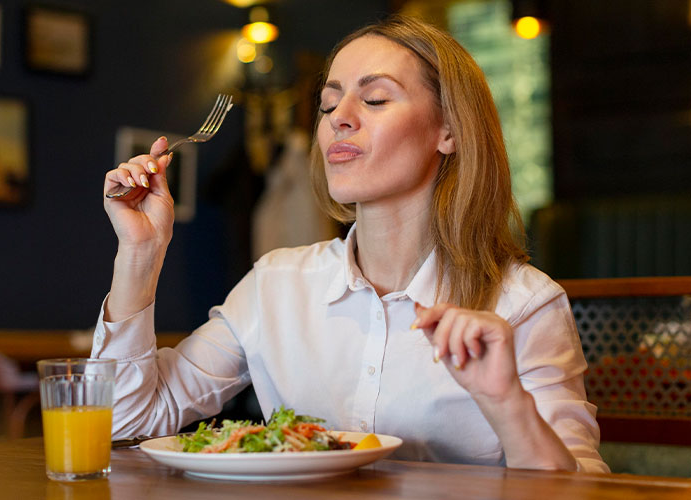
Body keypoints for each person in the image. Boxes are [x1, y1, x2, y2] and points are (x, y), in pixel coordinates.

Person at [94, 15, 609, 473]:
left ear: (448, 131)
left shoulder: (525, 305)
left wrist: (507, 403)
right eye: (328, 102)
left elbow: (582, 489)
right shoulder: (276, 283)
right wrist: (140, 254)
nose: (339, 116)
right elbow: (125, 422)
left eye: (376, 98)